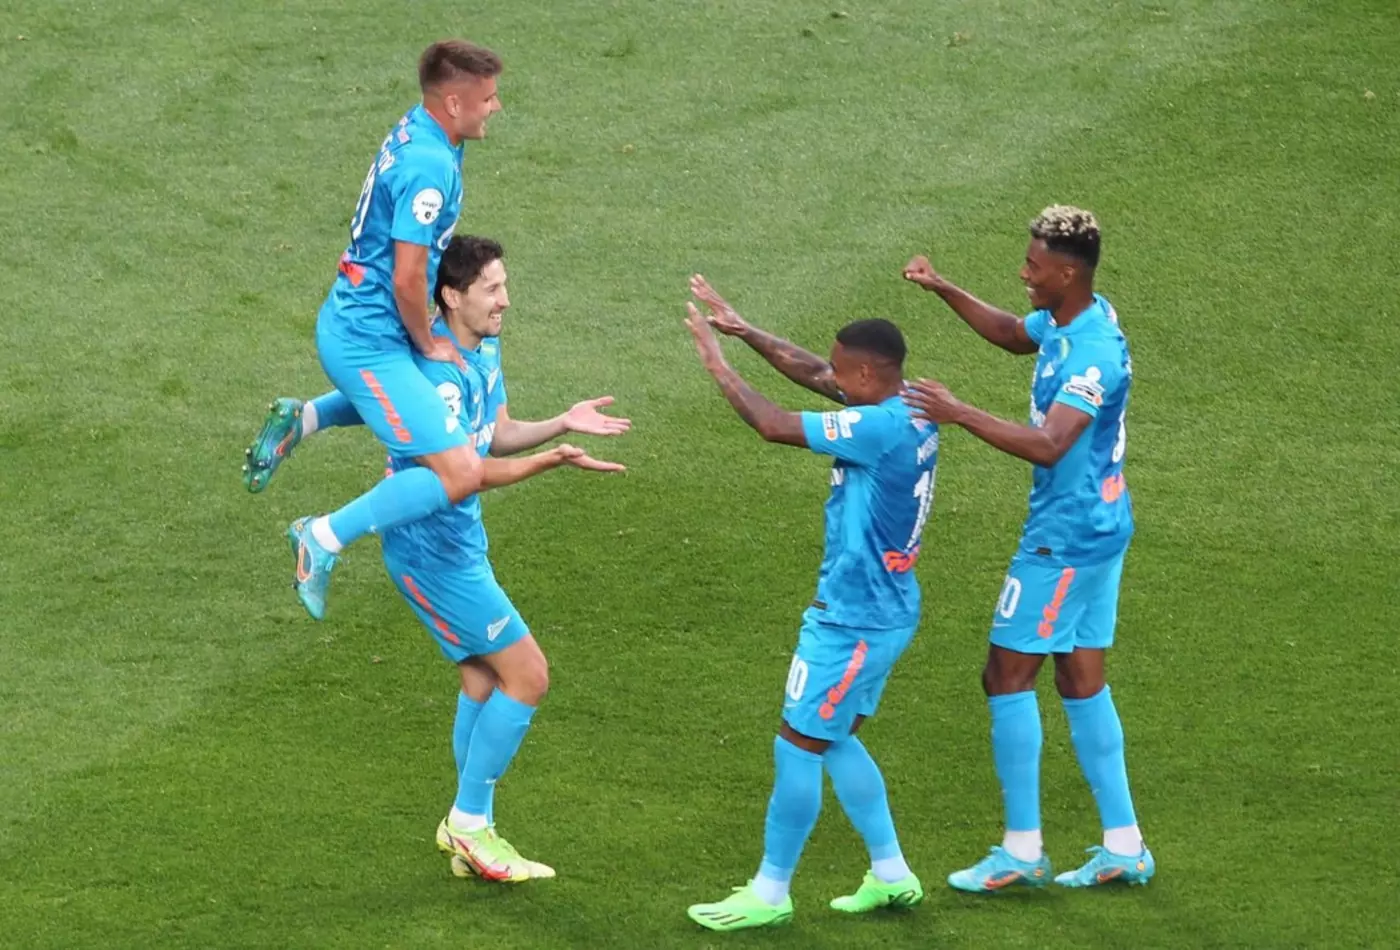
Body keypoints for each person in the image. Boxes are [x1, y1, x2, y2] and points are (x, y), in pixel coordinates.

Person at [901, 205, 1154, 891]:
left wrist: (958, 412)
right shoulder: (1073, 317)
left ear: (1066, 273)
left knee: (1006, 675)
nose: (1023, 274)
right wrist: (943, 287)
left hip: (1066, 536)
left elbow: (1049, 444)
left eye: (1034, 266)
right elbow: (1015, 335)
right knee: (1079, 678)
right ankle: (1125, 845)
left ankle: (1022, 852)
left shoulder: (1094, 352)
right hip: (1101, 522)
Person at [681, 276, 936, 932]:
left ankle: (770, 891)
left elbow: (772, 424)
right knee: (836, 738)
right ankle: (891, 873)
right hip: (890, 608)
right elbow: (820, 375)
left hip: (853, 617)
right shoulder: (911, 403)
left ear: (869, 373)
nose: (834, 378)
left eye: (845, 372)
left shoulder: (877, 426)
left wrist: (717, 362)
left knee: (797, 746)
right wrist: (748, 331)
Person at [256, 40, 506, 621]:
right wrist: (427, 340)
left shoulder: (422, 130)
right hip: (368, 340)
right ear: (452, 103)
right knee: (459, 470)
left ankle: (304, 418)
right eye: (487, 98)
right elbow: (408, 275)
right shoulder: (430, 164)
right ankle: (321, 536)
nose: (495, 107)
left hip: (364, 322)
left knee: (414, 402)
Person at [403, 236, 628, 880]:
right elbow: (466, 474)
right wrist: (550, 461)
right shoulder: (437, 378)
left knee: (482, 680)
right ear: (452, 297)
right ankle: (469, 823)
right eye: (492, 289)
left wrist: (561, 422)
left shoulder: (483, 348)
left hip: (458, 544)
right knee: (529, 675)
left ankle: (471, 832)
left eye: (504, 285)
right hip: (431, 552)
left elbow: (496, 433)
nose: (505, 300)